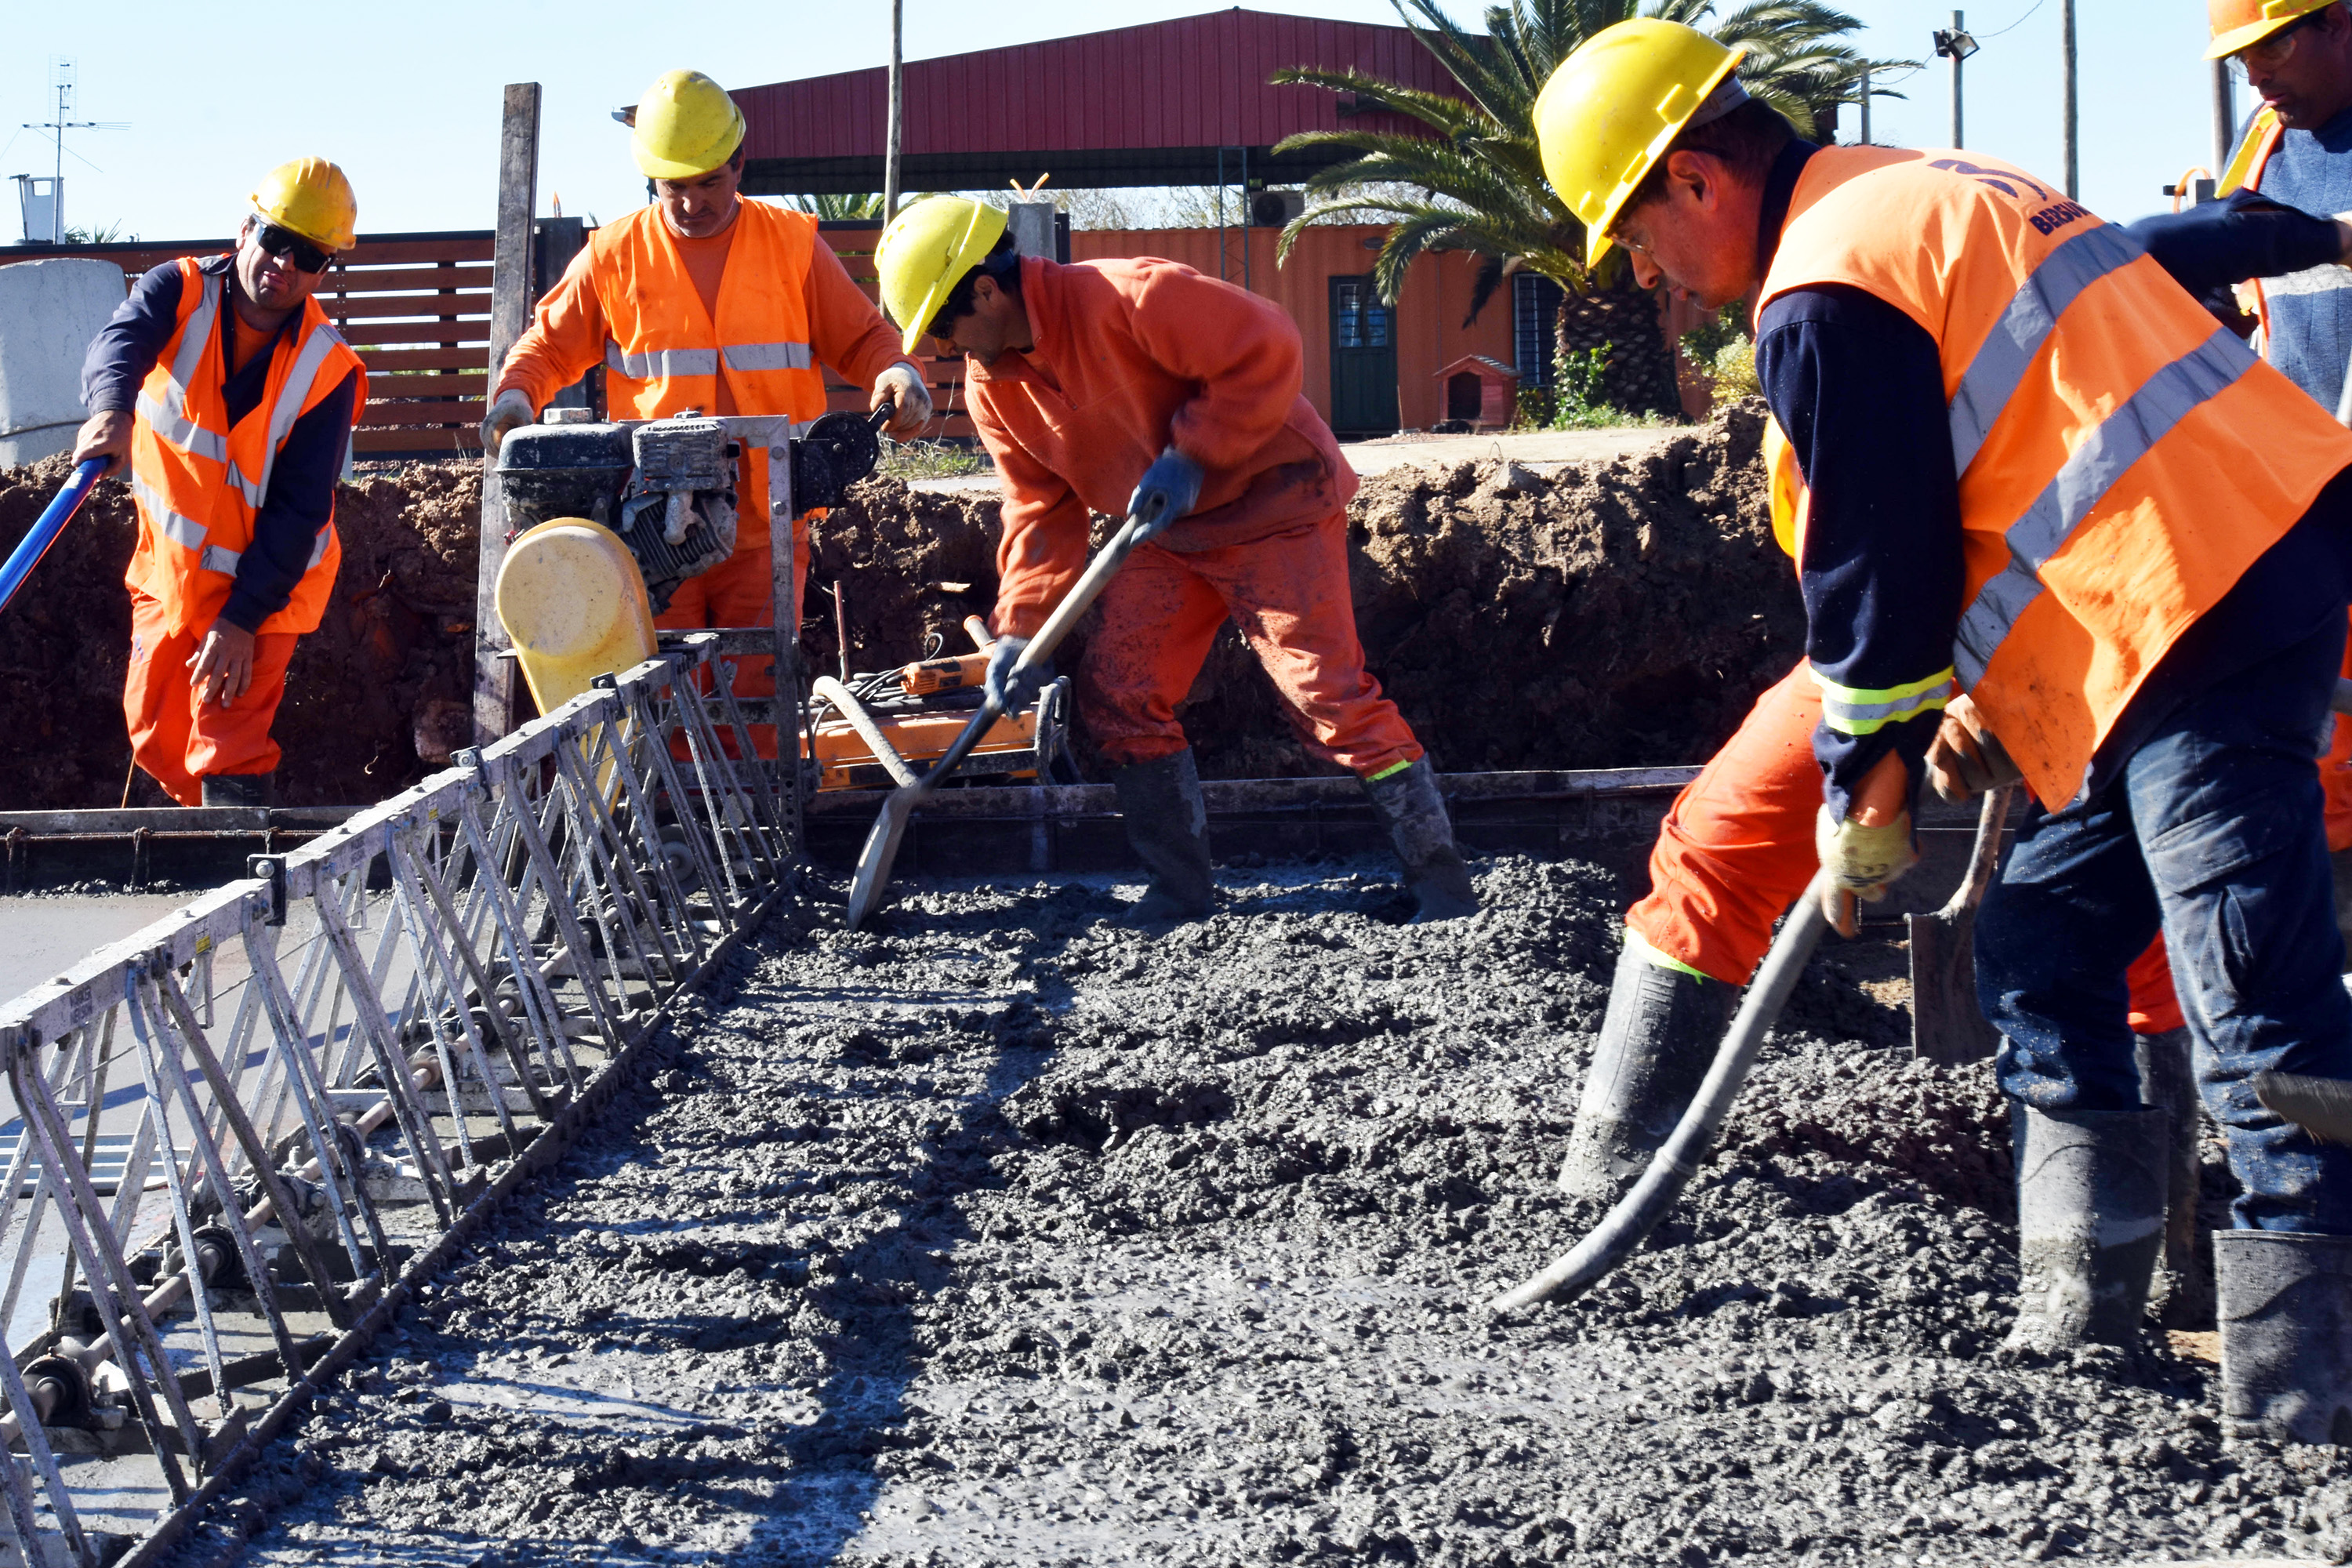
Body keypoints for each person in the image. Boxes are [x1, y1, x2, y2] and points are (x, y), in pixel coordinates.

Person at [1537, 20, 2352, 1440]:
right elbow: (2032, 423)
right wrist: (1970, 695)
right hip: (2177, 591)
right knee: (2044, 940)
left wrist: (1868, 784)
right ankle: (2086, 1319)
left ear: (1693, 179)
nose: (1649, 277)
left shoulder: (1823, 289)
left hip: (2198, 597)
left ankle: (2303, 1398)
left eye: (1638, 239)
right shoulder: (1910, 185)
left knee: (2249, 997)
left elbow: (1878, 563)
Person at [870, 197, 1478, 924]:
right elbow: (1039, 508)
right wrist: (1018, 631)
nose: (941, 347)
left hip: (1274, 504)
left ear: (987, 289)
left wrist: (1194, 452)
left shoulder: (1132, 295)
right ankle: (1179, 894)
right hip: (1167, 536)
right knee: (1121, 694)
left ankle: (1441, 883)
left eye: (944, 324)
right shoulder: (992, 387)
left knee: (1327, 696)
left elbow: (1268, 346)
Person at [484, 69, 931, 730]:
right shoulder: (612, 256)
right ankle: (676, 829)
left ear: (739, 162)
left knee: (755, 707)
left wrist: (897, 370)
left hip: (768, 523)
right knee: (663, 707)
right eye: (675, 187)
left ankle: (750, 822)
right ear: (651, 180)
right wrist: (516, 397)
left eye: (708, 182)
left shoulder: (792, 245)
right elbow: (546, 346)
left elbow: (863, 337)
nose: (692, 202)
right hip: (656, 529)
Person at [69, 158, 367, 808]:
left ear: (324, 270)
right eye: (276, 239)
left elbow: (301, 510)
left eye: (309, 255)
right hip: (170, 574)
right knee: (155, 734)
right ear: (245, 231)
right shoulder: (177, 292)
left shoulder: (328, 369)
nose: (285, 263)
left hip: (266, 587)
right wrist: (110, 410)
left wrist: (241, 620)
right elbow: (118, 344)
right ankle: (201, 843)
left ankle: (240, 889)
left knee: (226, 741)